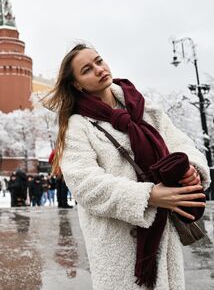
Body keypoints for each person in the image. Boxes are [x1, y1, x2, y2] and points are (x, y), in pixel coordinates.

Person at [45, 43, 210, 289]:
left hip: (163, 233)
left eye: (99, 61)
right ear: (77, 85)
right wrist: (148, 196)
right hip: (117, 244)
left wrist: (192, 171)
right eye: (87, 69)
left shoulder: (145, 110)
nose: (99, 69)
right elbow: (85, 184)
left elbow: (182, 144)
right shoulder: (77, 126)